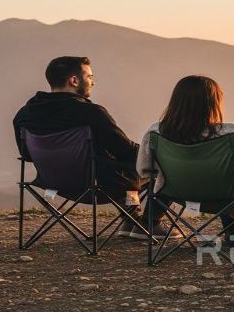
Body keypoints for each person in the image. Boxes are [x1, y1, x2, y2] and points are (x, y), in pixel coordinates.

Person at [136, 75, 234, 242]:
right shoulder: (232, 132)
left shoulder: (156, 131)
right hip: (228, 199)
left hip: (178, 196)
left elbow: (143, 169)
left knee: (228, 176)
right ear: (213, 102)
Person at [13, 56, 150, 237]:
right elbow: (125, 150)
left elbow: (27, 155)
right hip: (95, 185)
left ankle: (131, 219)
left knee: (123, 170)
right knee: (137, 169)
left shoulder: (24, 114)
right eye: (90, 77)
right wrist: (155, 153)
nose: (92, 82)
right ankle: (144, 221)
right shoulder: (90, 112)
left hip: (51, 183)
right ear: (74, 80)